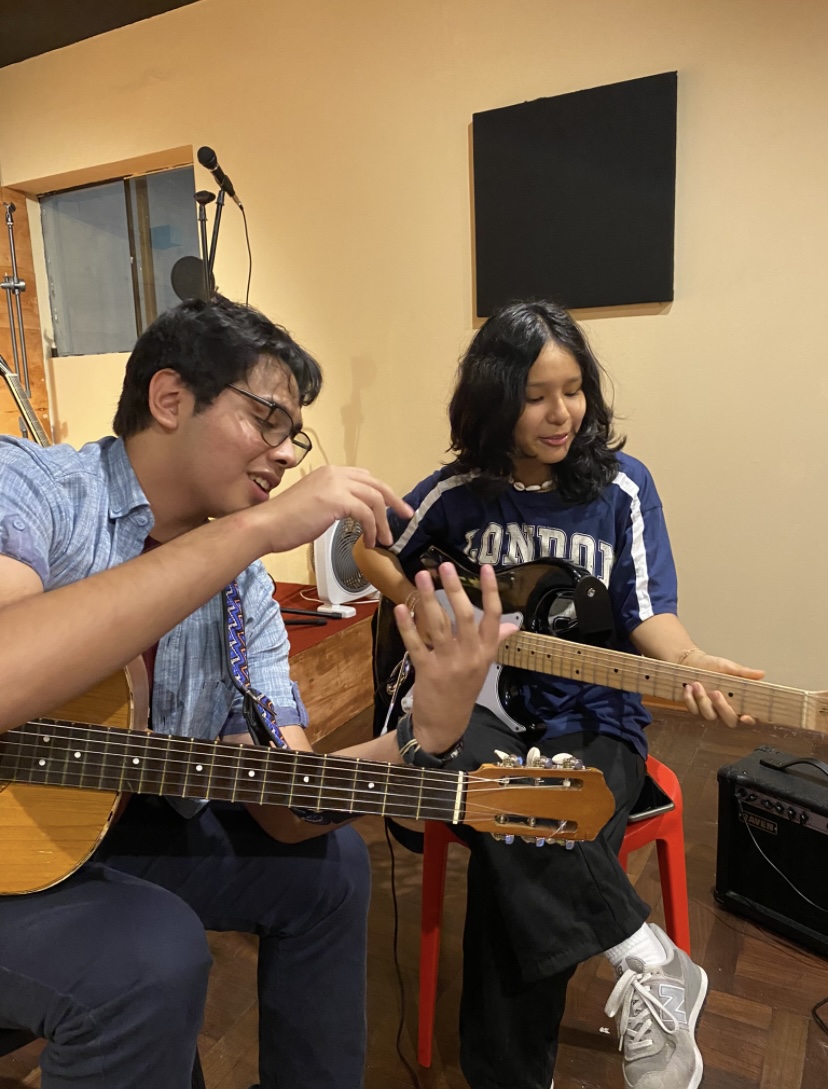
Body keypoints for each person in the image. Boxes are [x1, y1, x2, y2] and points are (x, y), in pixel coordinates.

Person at [0, 295, 509, 1089]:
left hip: (113, 832)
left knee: (333, 864)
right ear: (171, 399)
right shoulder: (41, 487)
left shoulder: (243, 592)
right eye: (267, 418)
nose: (283, 454)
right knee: (156, 951)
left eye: (292, 433)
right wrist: (251, 534)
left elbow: (287, 802)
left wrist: (418, 738)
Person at [354, 298, 765, 1089]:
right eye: (537, 395)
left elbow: (652, 615)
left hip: (594, 715)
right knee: (511, 802)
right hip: (482, 711)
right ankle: (647, 955)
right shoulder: (459, 491)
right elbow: (368, 547)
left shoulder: (622, 487)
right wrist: (418, 602)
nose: (561, 413)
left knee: (521, 820)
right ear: (496, 400)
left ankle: (509, 1074)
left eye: (573, 390)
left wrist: (694, 663)